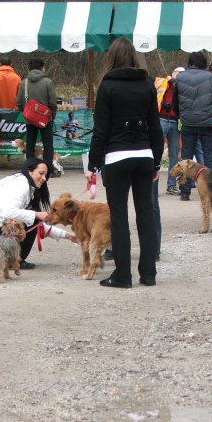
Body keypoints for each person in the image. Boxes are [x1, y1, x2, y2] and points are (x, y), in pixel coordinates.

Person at [86, 37, 163, 288]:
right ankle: (148, 273)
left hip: (117, 156)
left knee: (119, 218)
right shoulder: (147, 85)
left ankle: (123, 275)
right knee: (145, 216)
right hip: (144, 156)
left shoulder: (107, 86)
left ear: (112, 58)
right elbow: (156, 128)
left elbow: (100, 130)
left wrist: (93, 164)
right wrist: (156, 163)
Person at [0, 158, 77, 270]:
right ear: (29, 171)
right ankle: (16, 260)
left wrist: (67, 235)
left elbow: (37, 225)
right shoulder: (22, 185)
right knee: (32, 217)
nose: (43, 178)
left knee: (31, 217)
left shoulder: (11, 180)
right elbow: (8, 212)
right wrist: (37, 215)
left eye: (45, 175)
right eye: (41, 173)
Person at [173, 51, 212, 201]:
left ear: (189, 62)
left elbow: (175, 101)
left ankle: (184, 191)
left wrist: (181, 115)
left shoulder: (180, 78)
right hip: (207, 123)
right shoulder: (210, 77)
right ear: (204, 62)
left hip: (188, 123)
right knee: (209, 156)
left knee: (186, 158)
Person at [16, 58, 58, 177]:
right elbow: (53, 103)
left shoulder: (24, 82)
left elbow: (18, 102)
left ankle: (29, 168)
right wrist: (51, 117)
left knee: (30, 144)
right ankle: (48, 169)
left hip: (30, 119)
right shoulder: (48, 82)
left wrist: (26, 113)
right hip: (46, 119)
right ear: (42, 67)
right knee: (48, 145)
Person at [155, 66, 183, 196]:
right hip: (161, 119)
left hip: (175, 121)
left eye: (182, 74)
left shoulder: (183, 88)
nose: (179, 75)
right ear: (172, 74)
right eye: (177, 73)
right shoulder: (162, 82)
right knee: (157, 153)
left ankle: (171, 185)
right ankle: (153, 185)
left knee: (174, 155)